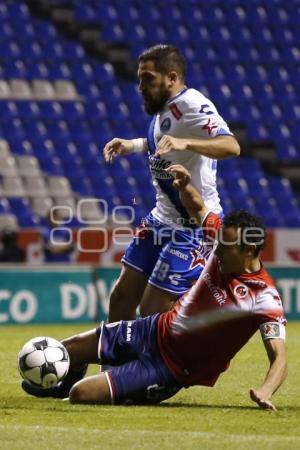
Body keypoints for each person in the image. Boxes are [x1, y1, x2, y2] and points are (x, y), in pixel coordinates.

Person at [22, 165, 287, 410]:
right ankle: (63, 383)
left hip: (168, 367)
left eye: (225, 248)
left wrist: (265, 391)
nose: (216, 251)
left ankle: (112, 384)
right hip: (150, 329)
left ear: (249, 249)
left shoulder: (265, 298)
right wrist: (184, 185)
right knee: (64, 350)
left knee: (82, 395)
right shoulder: (221, 238)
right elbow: (197, 206)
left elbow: (279, 358)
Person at [103, 44, 240, 321]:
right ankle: (116, 360)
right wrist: (131, 145)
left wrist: (186, 141)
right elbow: (164, 143)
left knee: (152, 309)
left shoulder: (192, 104)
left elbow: (231, 145)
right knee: (121, 297)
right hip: (161, 219)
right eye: (140, 78)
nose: (140, 86)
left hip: (194, 223)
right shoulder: (162, 109)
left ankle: (185, 355)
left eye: (148, 78)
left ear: (172, 77)